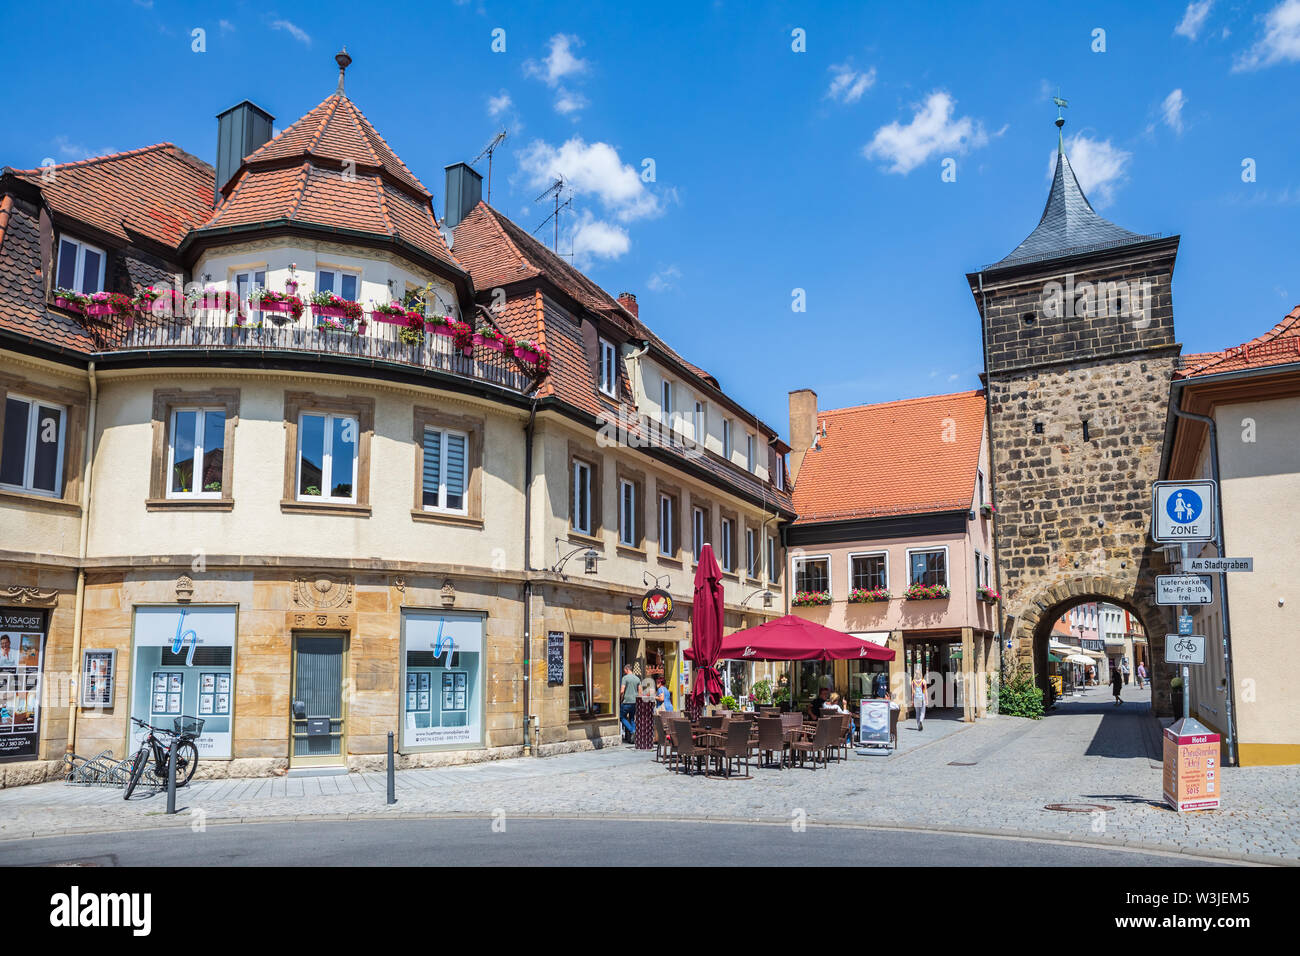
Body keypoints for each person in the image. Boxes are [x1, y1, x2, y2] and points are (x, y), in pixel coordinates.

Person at [619, 664, 639, 743]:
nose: (624, 672)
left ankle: (632, 731)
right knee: (632, 718)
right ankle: (634, 735)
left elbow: (622, 691)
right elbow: (640, 692)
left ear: (627, 669)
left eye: (624, 671)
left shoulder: (625, 678)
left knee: (621, 717)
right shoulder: (637, 679)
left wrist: (620, 698)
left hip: (626, 701)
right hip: (634, 702)